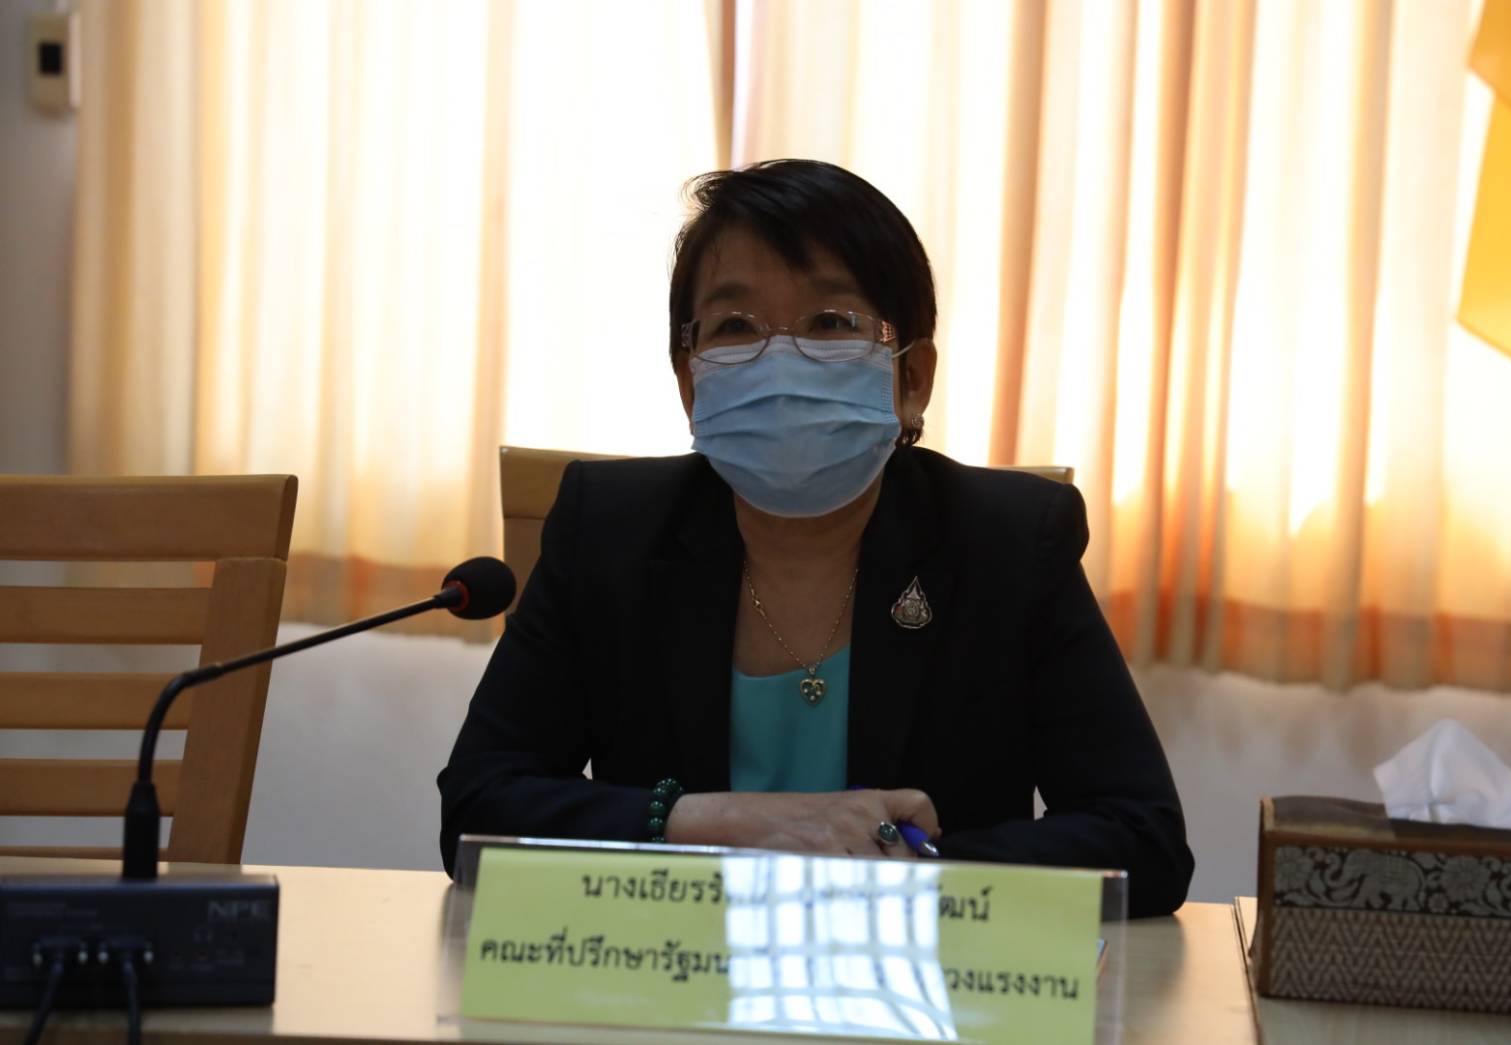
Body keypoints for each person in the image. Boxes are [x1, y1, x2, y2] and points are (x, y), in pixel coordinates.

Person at [438, 159, 1193, 917]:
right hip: (668, 964)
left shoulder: (1009, 542)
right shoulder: (609, 528)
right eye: (735, 326)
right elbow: (479, 804)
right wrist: (712, 822)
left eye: (830, 323)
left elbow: (1142, 839)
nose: (780, 360)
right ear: (690, 380)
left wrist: (898, 872)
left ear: (912, 377)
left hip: (919, 974)